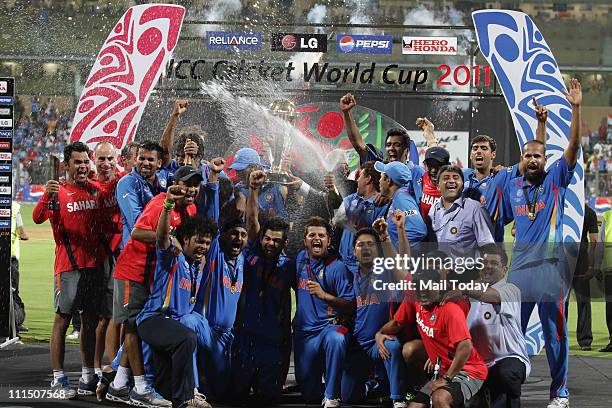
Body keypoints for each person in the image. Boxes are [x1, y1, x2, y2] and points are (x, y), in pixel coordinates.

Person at [503, 79, 583, 408]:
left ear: (545, 158)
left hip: (551, 273)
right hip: (521, 273)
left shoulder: (556, 179)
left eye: (538, 155)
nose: (533, 159)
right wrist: (540, 124)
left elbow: (573, 149)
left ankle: (559, 393)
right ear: (522, 158)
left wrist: (576, 108)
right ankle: (510, 390)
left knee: (555, 337)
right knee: (511, 335)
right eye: (528, 155)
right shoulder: (514, 186)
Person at [108, 165, 210, 407]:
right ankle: (141, 388)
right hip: (134, 271)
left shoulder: (191, 209)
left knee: (139, 326)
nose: (191, 189)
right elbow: (137, 233)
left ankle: (119, 383)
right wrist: (167, 239)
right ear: (176, 184)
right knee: (133, 326)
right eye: (187, 184)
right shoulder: (160, 203)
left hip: (153, 275)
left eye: (196, 184)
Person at [32, 141, 104, 398]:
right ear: (67, 165)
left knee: (89, 320)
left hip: (94, 267)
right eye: (78, 162)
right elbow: (37, 218)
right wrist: (47, 194)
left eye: (86, 161)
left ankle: (87, 376)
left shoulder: (96, 191)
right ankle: (58, 378)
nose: (83, 166)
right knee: (62, 320)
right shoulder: (58, 191)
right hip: (68, 268)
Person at [137, 184, 217, 408]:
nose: (203, 246)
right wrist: (168, 205)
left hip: (170, 328)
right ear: (186, 240)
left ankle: (180, 394)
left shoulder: (198, 265)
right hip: (154, 319)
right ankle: (186, 397)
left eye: (207, 243)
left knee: (166, 389)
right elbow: (162, 236)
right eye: (198, 241)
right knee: (188, 334)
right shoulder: (173, 256)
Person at [379, 268, 488, 408]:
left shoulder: (450, 309)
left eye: (428, 285)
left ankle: (472, 396)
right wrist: (380, 333)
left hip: (469, 370)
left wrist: (447, 378)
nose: (423, 290)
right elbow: (397, 323)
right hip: (443, 368)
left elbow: (465, 347)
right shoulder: (415, 301)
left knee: (440, 399)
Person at [230, 169, 293, 405]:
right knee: (236, 396)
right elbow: (252, 219)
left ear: (284, 243)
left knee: (269, 399)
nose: (270, 243)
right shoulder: (252, 254)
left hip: (273, 343)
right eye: (267, 238)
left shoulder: (289, 267)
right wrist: (254, 190)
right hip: (246, 338)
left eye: (276, 240)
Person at [342, 214, 409, 408]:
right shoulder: (348, 273)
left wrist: (389, 236)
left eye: (370, 244)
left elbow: (403, 264)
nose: (365, 248)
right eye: (360, 245)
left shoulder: (385, 269)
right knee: (348, 397)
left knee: (394, 346)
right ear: (353, 251)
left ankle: (398, 399)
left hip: (381, 341)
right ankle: (370, 386)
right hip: (359, 343)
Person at [293, 217, 355, 407]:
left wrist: (324, 296)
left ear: (329, 241)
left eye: (321, 235)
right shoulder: (300, 260)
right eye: (312, 235)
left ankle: (332, 395)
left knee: (337, 338)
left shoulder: (338, 268)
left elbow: (351, 306)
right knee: (309, 394)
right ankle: (326, 383)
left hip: (329, 328)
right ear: (305, 241)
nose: (316, 238)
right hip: (305, 334)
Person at [457, 248, 530, 408]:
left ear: (504, 270)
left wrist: (462, 287)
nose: (487, 266)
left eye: (494, 263)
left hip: (509, 359)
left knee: (507, 374)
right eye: (484, 263)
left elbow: (491, 296)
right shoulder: (468, 294)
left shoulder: (511, 290)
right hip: (478, 365)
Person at [90, 141, 123, 381]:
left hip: (120, 255)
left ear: (117, 159)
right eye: (101, 159)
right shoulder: (88, 185)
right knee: (102, 316)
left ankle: (115, 364)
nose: (106, 164)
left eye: (110, 159)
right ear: (94, 159)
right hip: (98, 258)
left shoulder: (123, 181)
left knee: (117, 315)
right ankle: (95, 367)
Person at [328, 161, 388, 271]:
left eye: (360, 176)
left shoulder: (382, 205)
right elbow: (336, 220)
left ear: (368, 179)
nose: (357, 180)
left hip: (366, 267)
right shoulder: (351, 199)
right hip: (343, 264)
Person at [428, 164, 495, 262]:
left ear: (463, 185)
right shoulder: (433, 210)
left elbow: (488, 246)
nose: (451, 181)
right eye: (446, 178)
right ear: (438, 186)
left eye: (455, 178)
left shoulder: (475, 209)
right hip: (439, 274)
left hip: (466, 273)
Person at [116, 140, 165, 249]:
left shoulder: (163, 178)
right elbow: (139, 223)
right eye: (141, 158)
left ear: (159, 163)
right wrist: (167, 233)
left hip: (155, 252)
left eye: (150, 159)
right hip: (134, 253)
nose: (145, 163)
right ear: (136, 160)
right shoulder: (127, 183)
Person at [566, 203, 599, 351]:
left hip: (568, 262)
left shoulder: (564, 208)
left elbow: (594, 242)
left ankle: (558, 339)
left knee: (563, 303)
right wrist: (591, 265)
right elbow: (593, 242)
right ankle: (585, 341)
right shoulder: (589, 212)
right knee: (583, 303)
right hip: (580, 262)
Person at [373, 161, 427, 250]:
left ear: (388, 180)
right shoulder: (399, 196)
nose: (379, 181)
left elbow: (418, 231)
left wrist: (398, 249)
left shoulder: (402, 198)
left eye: (381, 177)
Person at [229, 147, 287, 221]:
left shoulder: (276, 183)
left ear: (255, 167)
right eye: (236, 170)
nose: (237, 173)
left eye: (241, 170)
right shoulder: (238, 190)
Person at [10, 200, 28, 334]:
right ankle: (16, 322)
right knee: (13, 292)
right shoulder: (14, 208)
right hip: (11, 257)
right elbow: (23, 233)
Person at [596, 209, 612, 352]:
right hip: (609, 270)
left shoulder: (607, 216)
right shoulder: (607, 216)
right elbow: (600, 244)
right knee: (610, 308)